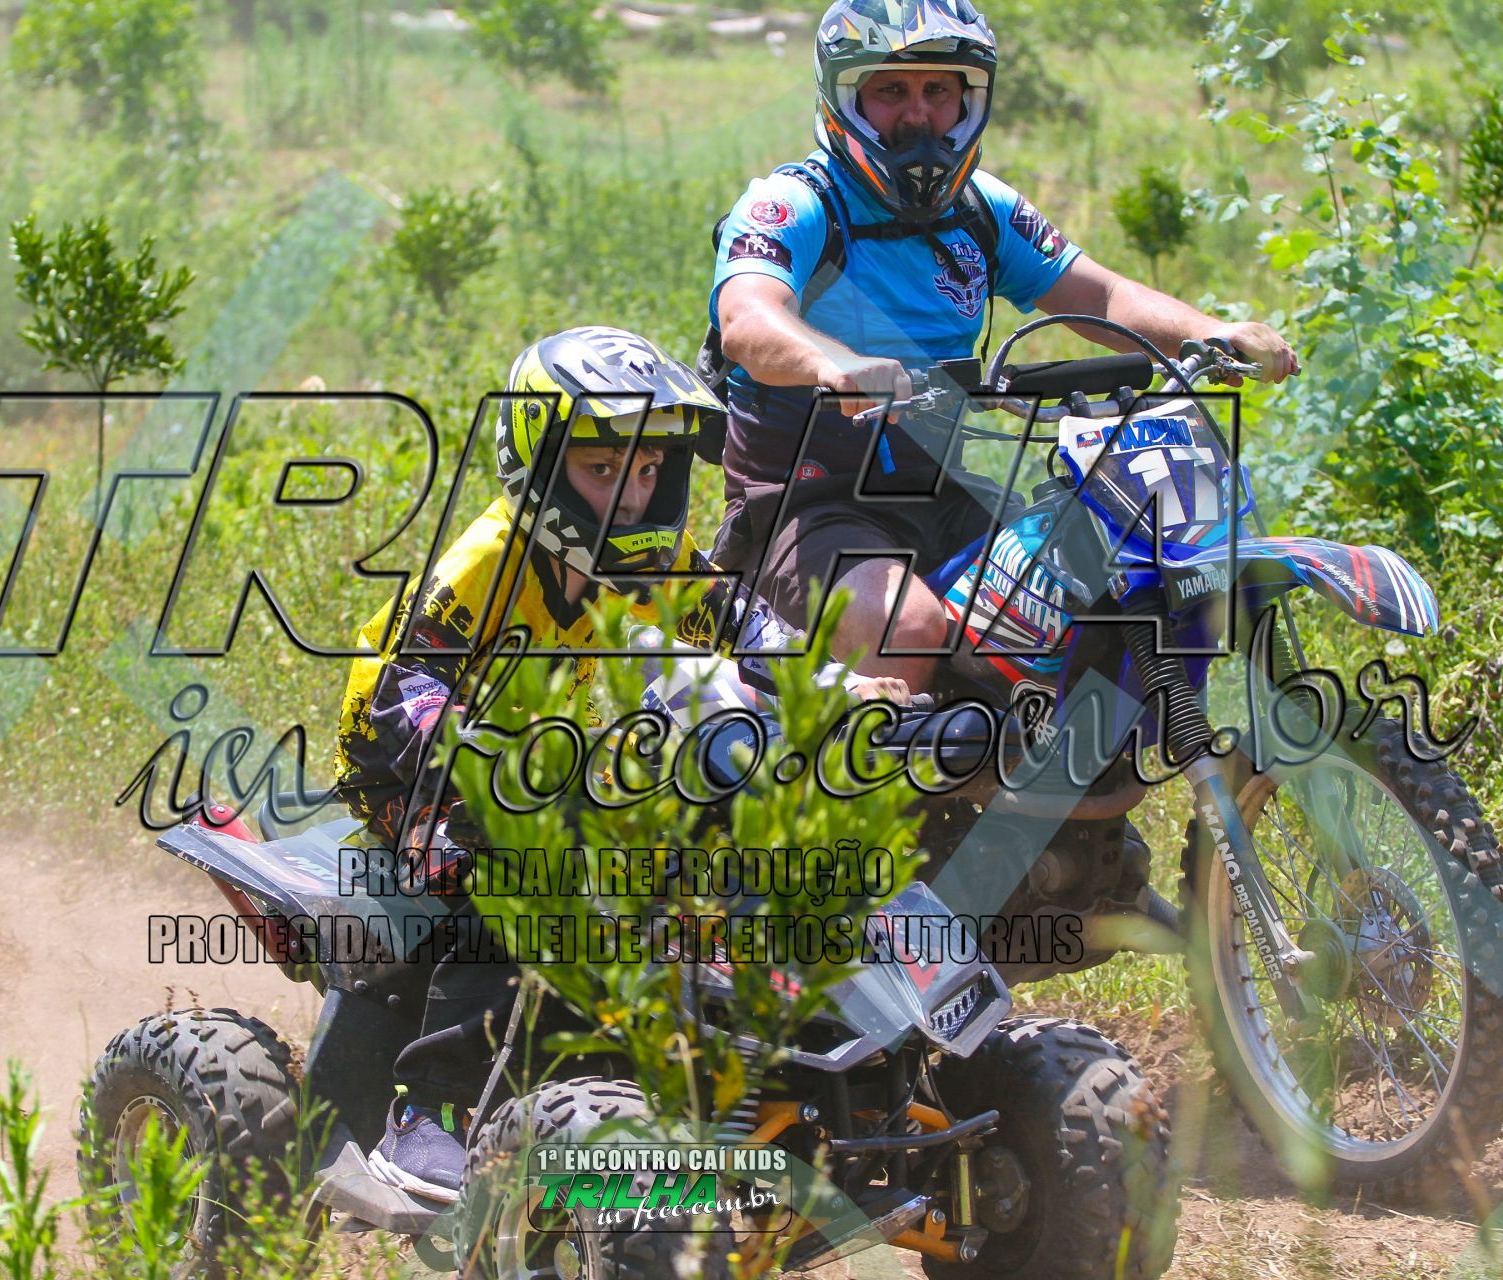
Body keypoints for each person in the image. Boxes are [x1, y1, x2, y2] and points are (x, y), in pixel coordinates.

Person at [329, 325, 908, 1203]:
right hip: (405, 772)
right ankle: (428, 1111)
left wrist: (838, 687)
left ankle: (753, 1058)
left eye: (647, 471)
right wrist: (483, 757)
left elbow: (746, 627)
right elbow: (402, 686)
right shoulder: (488, 561)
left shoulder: (644, 560)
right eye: (604, 470)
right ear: (541, 464)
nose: (633, 497)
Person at [708, 0, 1300, 693]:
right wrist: (831, 364)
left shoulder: (982, 210)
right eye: (891, 90)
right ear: (846, 98)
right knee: (907, 627)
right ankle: (843, 757)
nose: (918, 114)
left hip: (941, 494)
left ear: (969, 100)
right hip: (805, 507)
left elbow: (1102, 296)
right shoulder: (795, 202)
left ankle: (1076, 764)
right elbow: (747, 318)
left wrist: (1213, 331)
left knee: (1086, 589)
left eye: (938, 91)